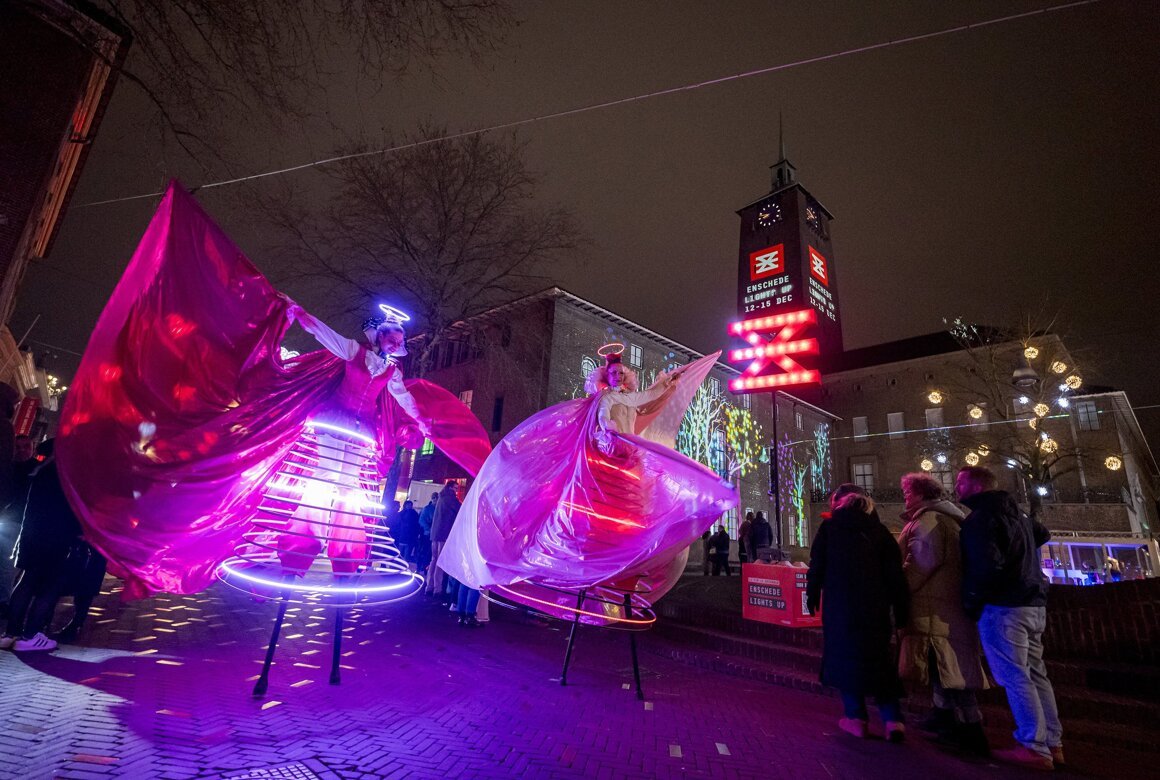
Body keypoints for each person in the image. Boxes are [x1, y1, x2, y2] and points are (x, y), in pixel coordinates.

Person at [437, 344, 737, 626]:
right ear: (606, 378)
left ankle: (611, 583)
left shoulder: (625, 398)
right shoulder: (607, 399)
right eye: (613, 374)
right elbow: (615, 414)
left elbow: (645, 401)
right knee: (605, 526)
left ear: (627, 377)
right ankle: (592, 580)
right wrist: (612, 430)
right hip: (609, 461)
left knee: (624, 525)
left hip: (625, 462)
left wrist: (669, 385)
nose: (617, 376)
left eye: (621, 373)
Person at [957, 466, 1062, 771]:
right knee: (1036, 673)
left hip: (1004, 606)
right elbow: (1043, 533)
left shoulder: (981, 519)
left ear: (977, 487)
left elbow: (985, 567)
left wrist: (973, 600)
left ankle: (1033, 745)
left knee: (1015, 676)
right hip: (1034, 603)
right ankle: (1053, 742)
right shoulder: (1018, 514)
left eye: (962, 483)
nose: (957, 488)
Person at [806, 483, 909, 743]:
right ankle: (892, 721)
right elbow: (895, 577)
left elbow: (816, 564)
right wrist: (901, 611)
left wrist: (812, 593)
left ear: (839, 503)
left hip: (841, 607)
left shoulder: (830, 529)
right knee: (880, 661)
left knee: (844, 659)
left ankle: (856, 718)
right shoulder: (880, 532)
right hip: (875, 607)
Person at [895, 473, 989, 756]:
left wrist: (896, 589)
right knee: (945, 670)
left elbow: (920, 564)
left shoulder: (930, 522)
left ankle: (971, 733)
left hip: (933, 609)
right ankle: (945, 719)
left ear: (922, 494)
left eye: (909, 492)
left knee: (949, 671)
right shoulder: (947, 519)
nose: (906, 497)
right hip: (945, 608)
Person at [1, 440, 94, 651]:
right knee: (51, 586)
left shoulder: (42, 471)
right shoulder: (70, 477)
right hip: (57, 538)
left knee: (26, 581)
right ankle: (31, 635)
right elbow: (71, 511)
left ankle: (11, 633)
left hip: (32, 535)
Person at [427, 482, 461, 597]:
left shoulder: (441, 498)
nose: (457, 490)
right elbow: (460, 510)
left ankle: (429, 586)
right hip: (444, 533)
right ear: (450, 487)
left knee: (434, 559)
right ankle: (438, 588)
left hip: (435, 534)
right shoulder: (450, 499)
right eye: (455, 488)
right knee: (440, 561)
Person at [393, 500, 420, 566]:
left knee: (403, 552)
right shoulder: (414, 514)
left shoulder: (402, 514)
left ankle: (400, 565)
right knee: (403, 552)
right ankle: (402, 565)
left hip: (406, 536)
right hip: (405, 536)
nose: (409, 506)